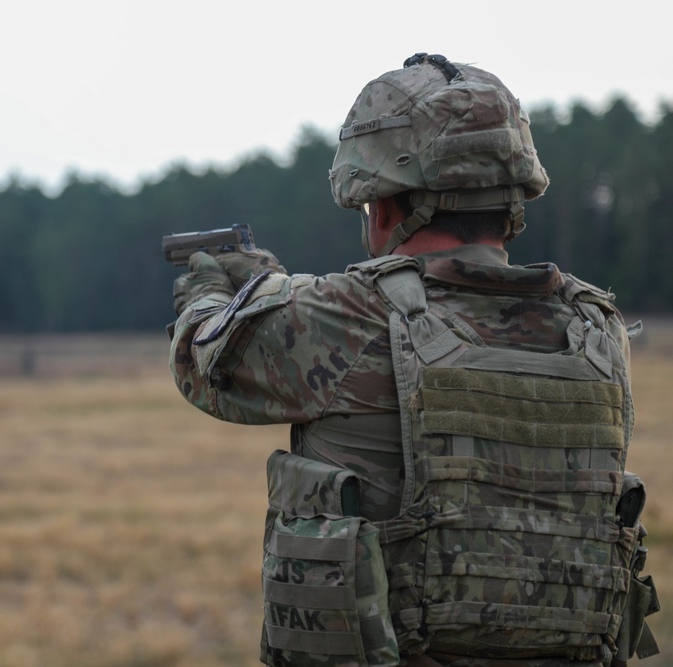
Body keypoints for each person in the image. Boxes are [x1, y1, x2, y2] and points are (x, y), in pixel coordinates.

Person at [168, 54, 660, 667]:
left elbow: (203, 362)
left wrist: (215, 291)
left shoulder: (350, 315)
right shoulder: (596, 328)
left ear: (385, 203)